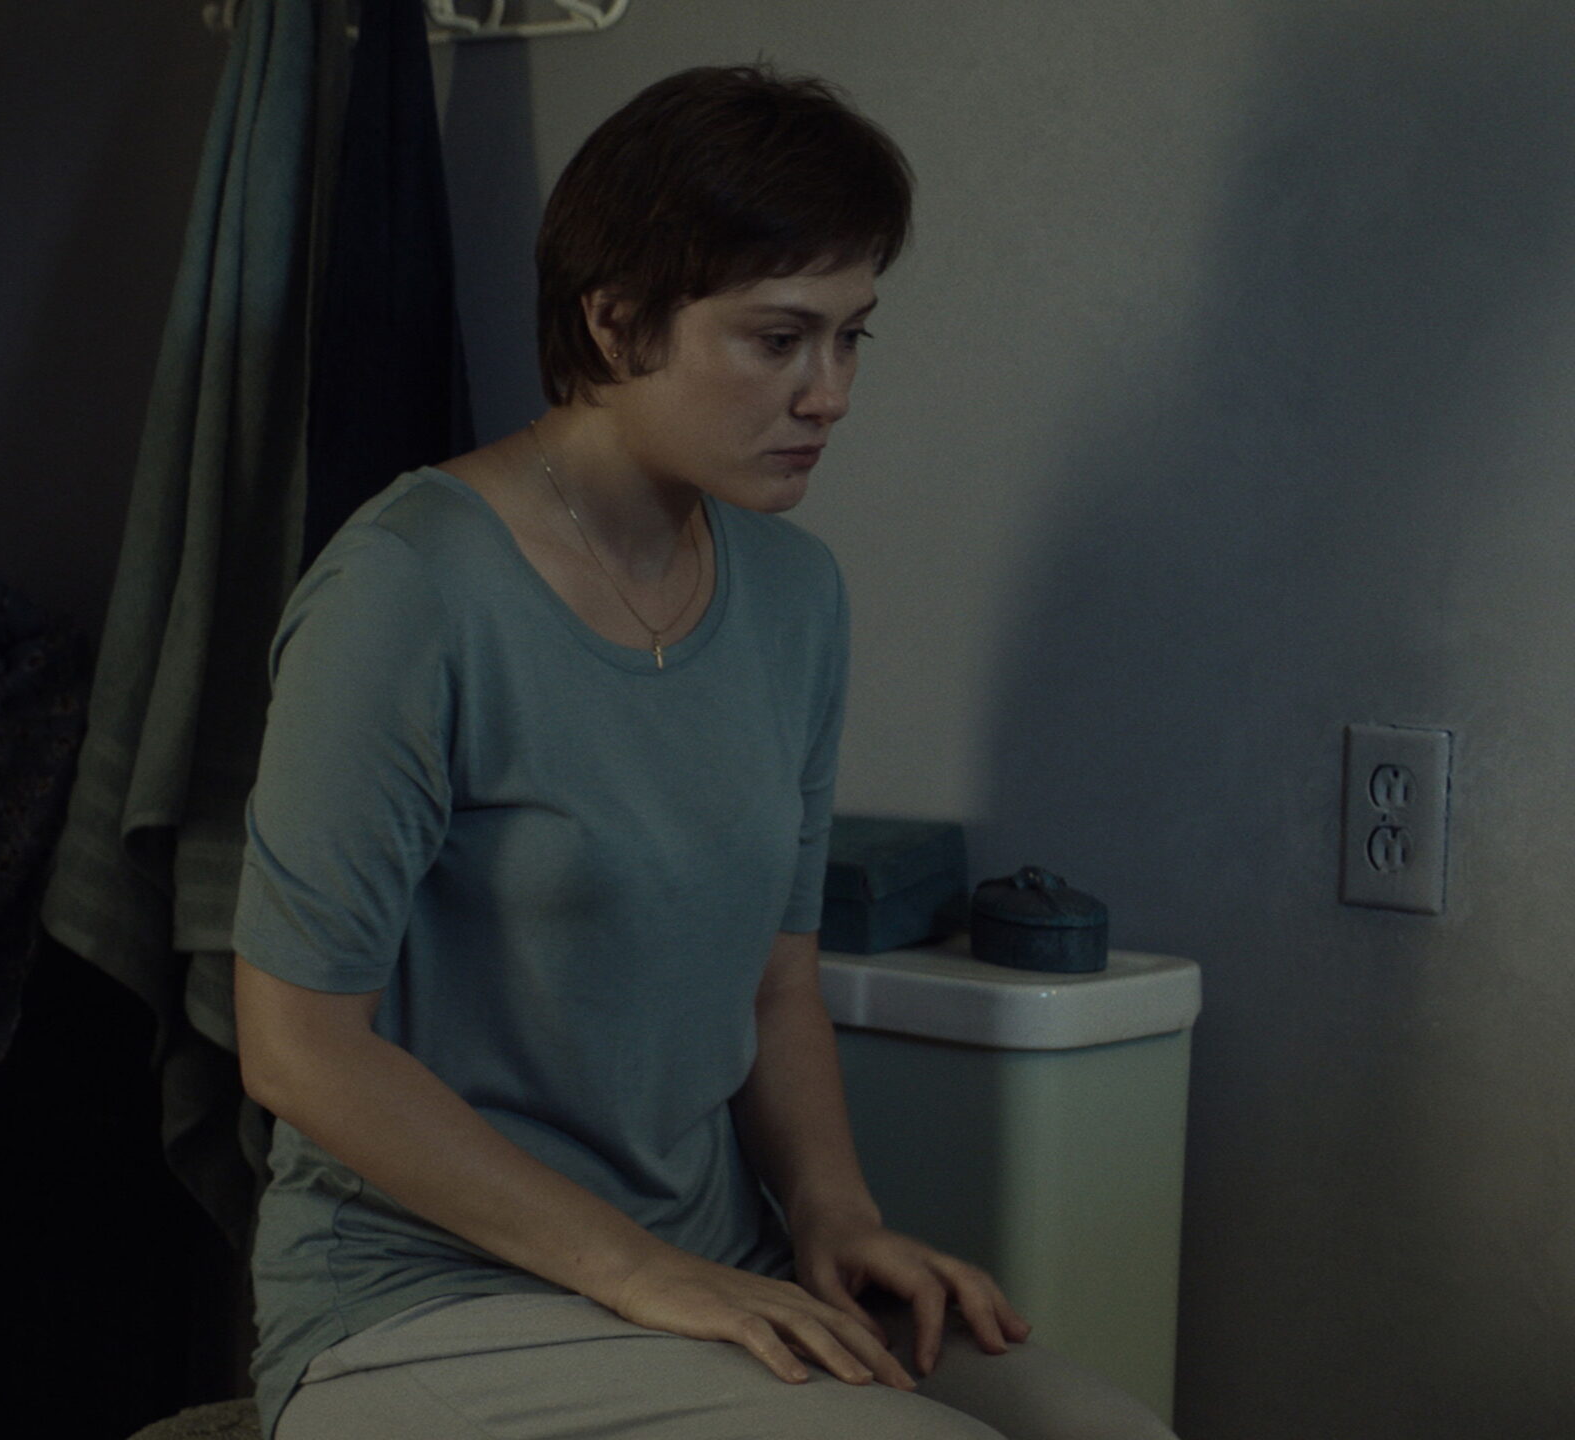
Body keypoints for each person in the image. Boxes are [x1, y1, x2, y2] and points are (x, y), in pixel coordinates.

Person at [229, 65, 1179, 1440]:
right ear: (617, 321)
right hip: (423, 1298)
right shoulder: (406, 591)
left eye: (851, 338)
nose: (829, 393)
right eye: (779, 339)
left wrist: (836, 1214)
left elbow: (778, 985)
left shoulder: (795, 597)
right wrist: (639, 1272)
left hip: (713, 1264)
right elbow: (300, 1050)